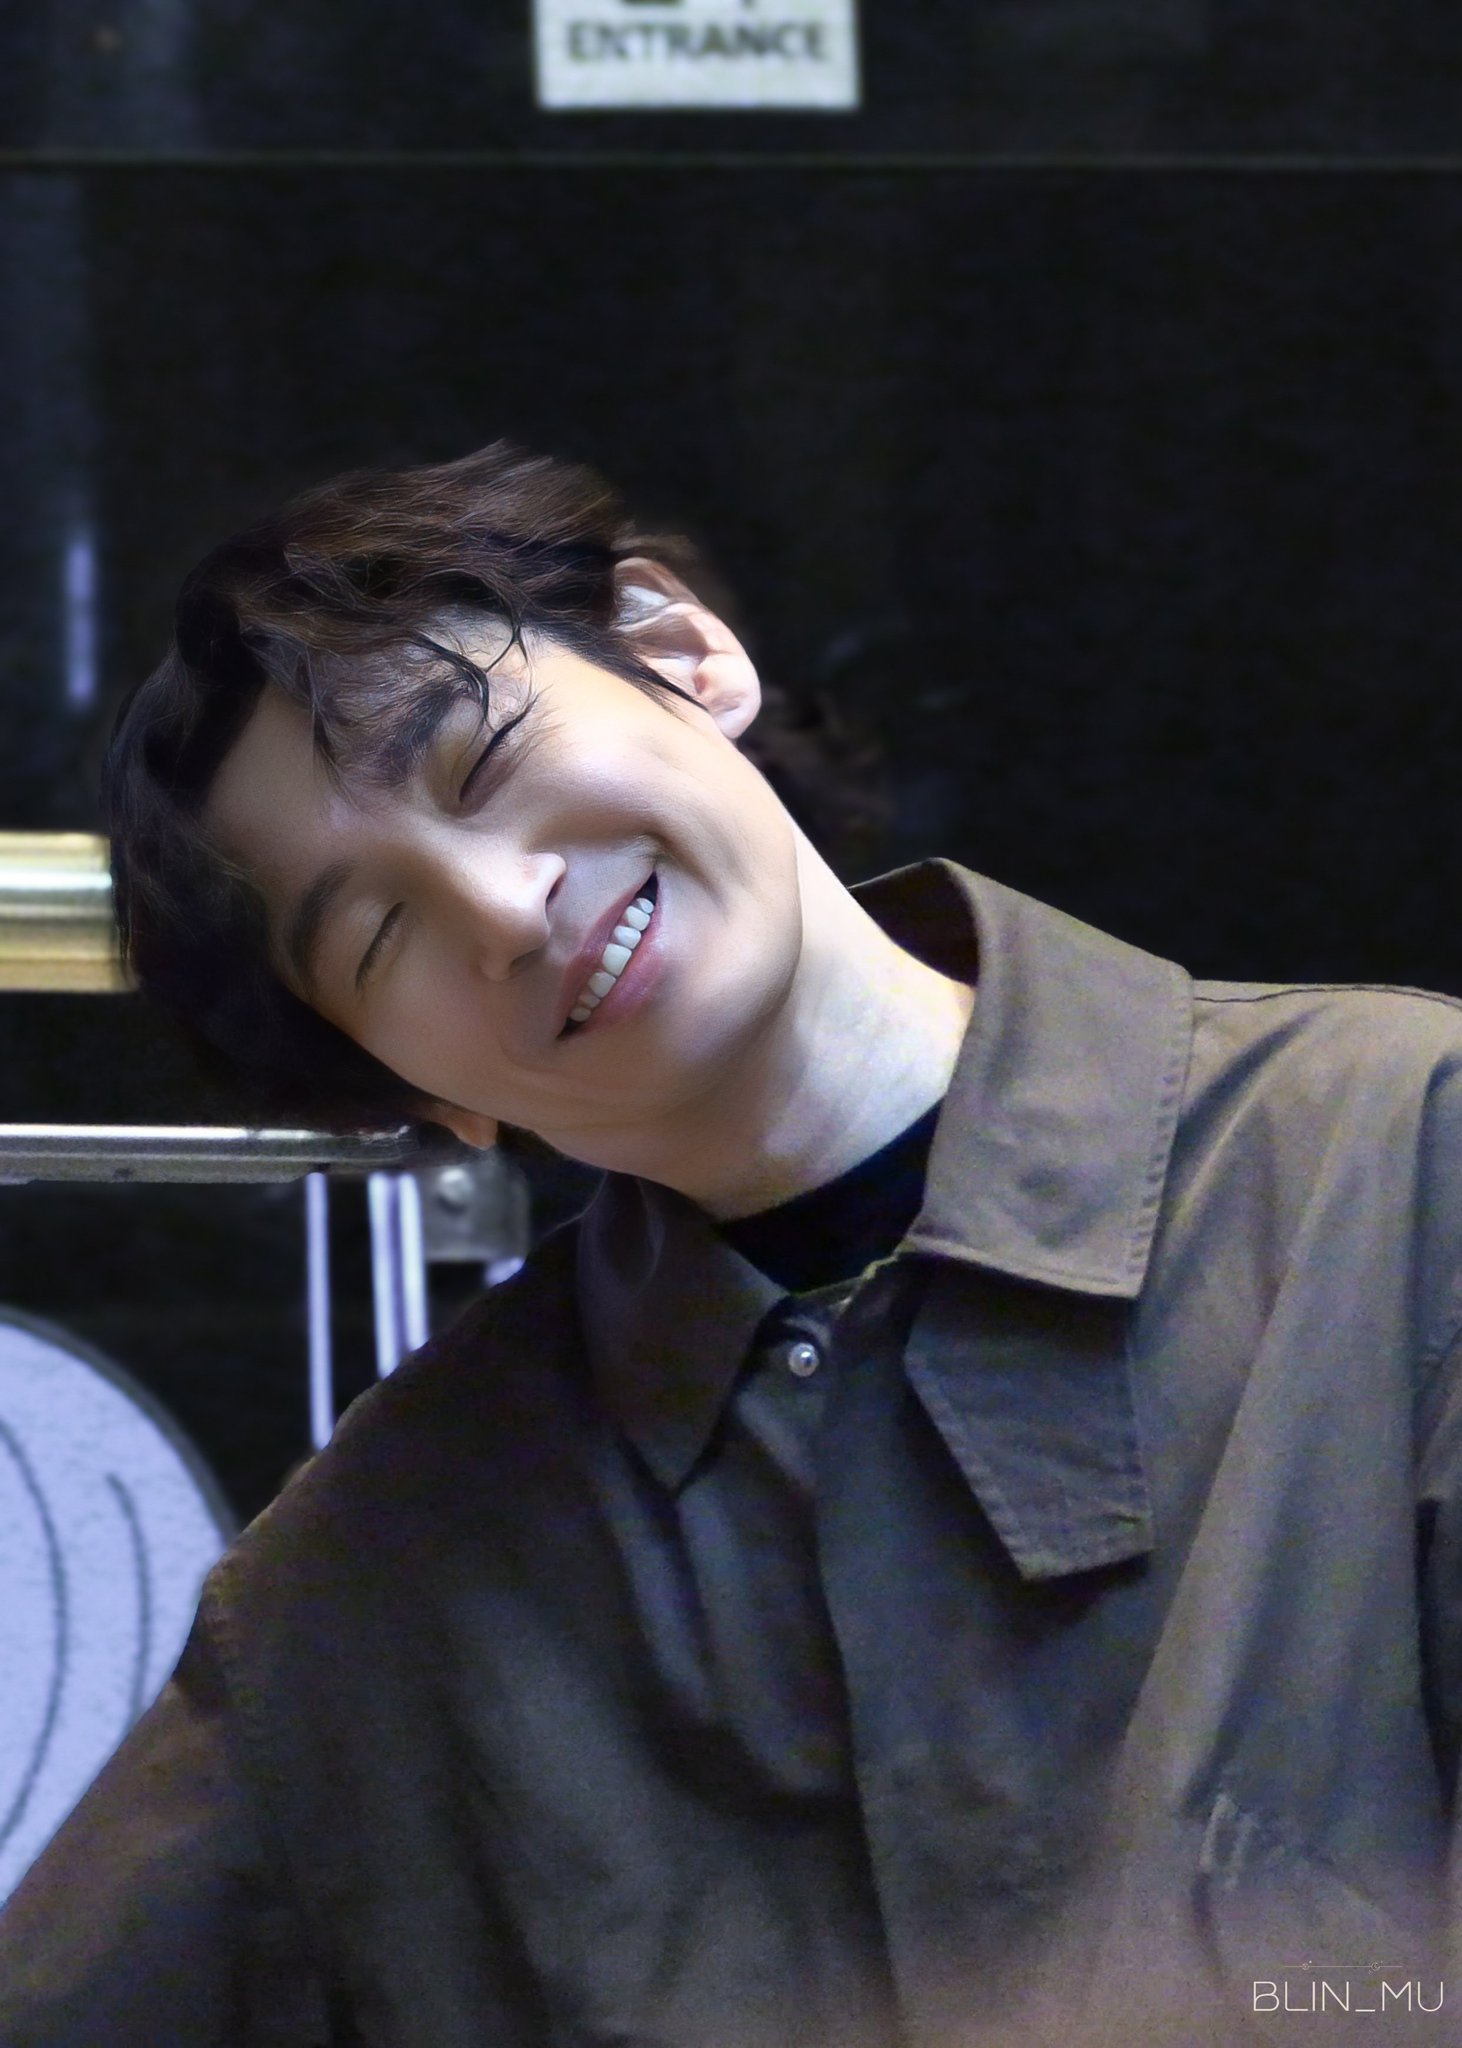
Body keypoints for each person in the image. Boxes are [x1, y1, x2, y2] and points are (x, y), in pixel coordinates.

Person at [2, 439, 1462, 2047]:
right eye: (381, 930)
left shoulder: (1397, 1158)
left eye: (480, 759)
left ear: (682, 652)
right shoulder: (385, 1562)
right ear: (415, 1095)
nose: (504, 908)